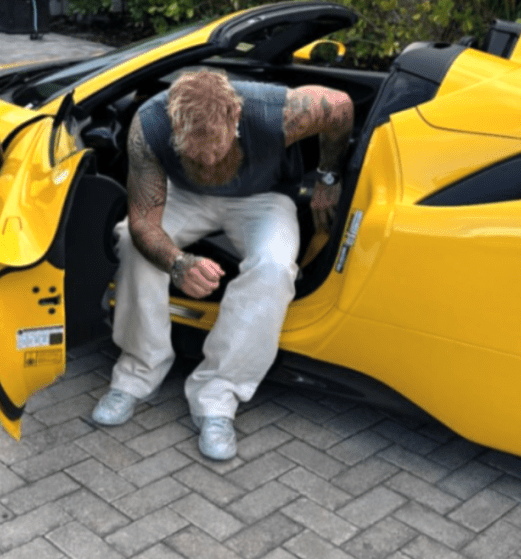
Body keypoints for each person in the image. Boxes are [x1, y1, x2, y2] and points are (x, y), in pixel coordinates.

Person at [91, 68, 354, 460]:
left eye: (216, 148)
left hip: (262, 199)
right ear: (174, 125)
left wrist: (328, 177)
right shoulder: (149, 125)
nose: (210, 160)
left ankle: (217, 396)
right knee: (131, 239)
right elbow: (146, 221)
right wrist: (179, 263)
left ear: (235, 115)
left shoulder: (275, 112)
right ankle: (138, 372)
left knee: (275, 266)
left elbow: (340, 106)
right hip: (185, 196)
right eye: (194, 152)